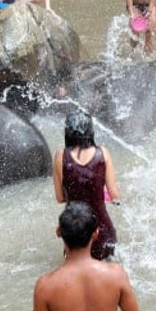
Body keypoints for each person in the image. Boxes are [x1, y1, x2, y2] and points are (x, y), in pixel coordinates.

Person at [52, 111, 121, 260]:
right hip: (102, 230)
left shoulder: (60, 156)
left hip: (74, 233)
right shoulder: (103, 153)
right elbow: (114, 195)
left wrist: (77, 193)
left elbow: (60, 198)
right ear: (90, 131)